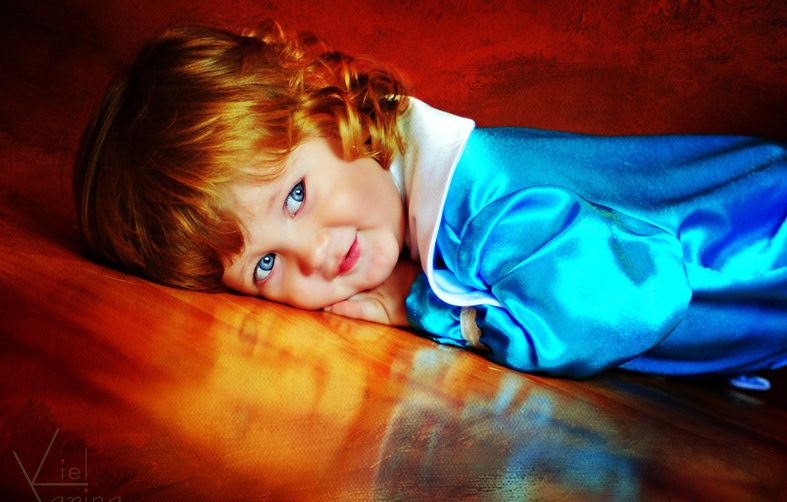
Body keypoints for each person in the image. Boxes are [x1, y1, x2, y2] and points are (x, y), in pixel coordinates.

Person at [73, 21, 787, 387]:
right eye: (264, 265)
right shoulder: (421, 211)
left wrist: (432, 309)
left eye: (295, 195)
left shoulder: (481, 208)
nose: (313, 253)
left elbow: (645, 293)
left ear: (327, 112)